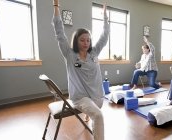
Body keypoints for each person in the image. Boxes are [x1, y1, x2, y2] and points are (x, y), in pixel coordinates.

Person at [52, 0, 109, 139]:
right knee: (98, 115)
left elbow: (105, 35)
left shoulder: (94, 53)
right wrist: (56, 5)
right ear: (76, 41)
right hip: (80, 97)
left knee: (96, 112)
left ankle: (88, 115)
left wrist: (105, 17)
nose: (86, 43)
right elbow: (59, 32)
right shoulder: (70, 55)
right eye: (82, 40)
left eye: (88, 40)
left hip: (97, 96)